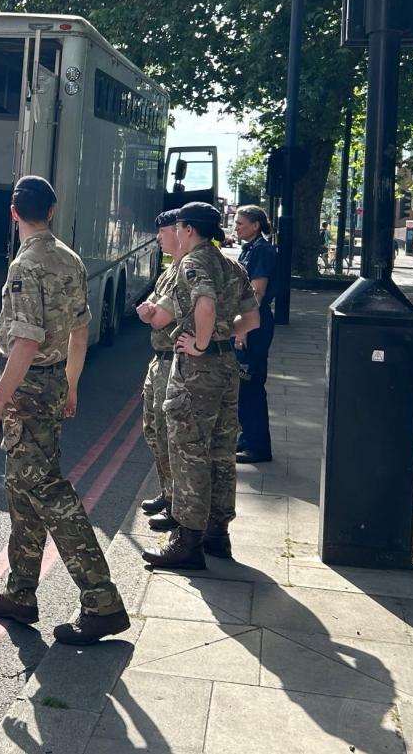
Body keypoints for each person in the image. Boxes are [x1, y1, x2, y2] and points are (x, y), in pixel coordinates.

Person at [0, 175, 130, 646]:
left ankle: (102, 600)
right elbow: (79, 332)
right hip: (53, 380)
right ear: (53, 211)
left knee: (47, 491)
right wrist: (71, 384)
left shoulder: (26, 265)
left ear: (13, 211)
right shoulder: (70, 259)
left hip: (26, 388)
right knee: (22, 491)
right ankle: (20, 592)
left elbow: (26, 341)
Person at [142, 202, 259, 569]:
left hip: (198, 369)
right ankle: (216, 534)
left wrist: (201, 344)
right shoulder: (231, 264)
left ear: (188, 229)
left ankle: (187, 542)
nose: (174, 232)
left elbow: (204, 304)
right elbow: (252, 318)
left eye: (177, 226)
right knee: (221, 451)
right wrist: (223, 339)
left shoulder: (193, 262)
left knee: (189, 450)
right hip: (226, 366)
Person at [136, 209, 192, 531]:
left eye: (163, 231)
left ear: (179, 232)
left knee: (170, 436)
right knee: (154, 431)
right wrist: (150, 311)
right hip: (159, 359)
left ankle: (177, 506)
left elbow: (157, 315)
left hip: (174, 363)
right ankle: (167, 493)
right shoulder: (169, 270)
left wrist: (151, 312)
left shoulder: (186, 270)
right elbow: (149, 308)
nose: (158, 237)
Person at [233, 205, 276, 465]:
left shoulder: (262, 251)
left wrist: (244, 328)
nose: (236, 227)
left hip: (255, 324)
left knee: (250, 385)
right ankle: (248, 438)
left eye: (240, 223)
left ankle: (258, 446)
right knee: (243, 386)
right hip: (251, 321)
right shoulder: (251, 248)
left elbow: (257, 292)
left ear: (255, 225)